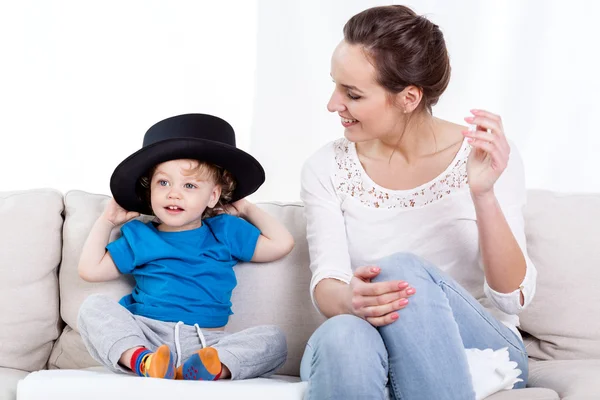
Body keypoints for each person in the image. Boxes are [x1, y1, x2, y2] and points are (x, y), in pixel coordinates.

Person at [299, 5, 537, 400]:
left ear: (408, 97)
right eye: (335, 85)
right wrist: (351, 299)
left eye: (352, 94)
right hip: (368, 341)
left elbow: (512, 297)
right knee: (343, 332)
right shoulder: (325, 167)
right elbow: (328, 281)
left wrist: (483, 194)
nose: (332, 104)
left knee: (400, 269)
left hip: (480, 348)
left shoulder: (483, 155)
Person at [77, 113, 294, 381]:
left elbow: (282, 243)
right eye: (163, 183)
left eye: (189, 185)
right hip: (148, 334)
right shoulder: (140, 236)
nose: (174, 193)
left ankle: (211, 369)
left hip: (208, 343)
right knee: (93, 307)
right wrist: (106, 221)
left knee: (274, 339)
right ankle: (143, 362)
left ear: (213, 195)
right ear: (150, 192)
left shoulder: (225, 231)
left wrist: (247, 208)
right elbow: (90, 270)